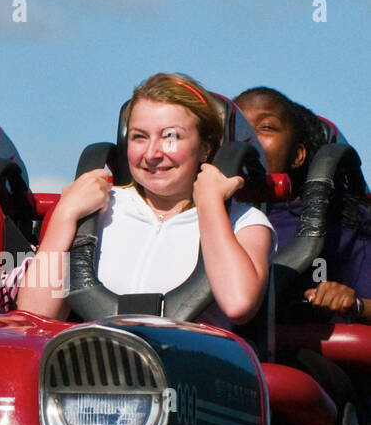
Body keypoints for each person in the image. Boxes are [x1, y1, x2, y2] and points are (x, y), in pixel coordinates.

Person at [17, 73, 273, 326]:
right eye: (139, 137)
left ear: (204, 148)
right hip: (98, 359)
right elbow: (34, 314)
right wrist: (65, 215)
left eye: (170, 136)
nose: (152, 153)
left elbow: (238, 303)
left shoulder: (244, 221)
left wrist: (210, 204)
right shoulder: (93, 211)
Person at [235, 86, 371, 324]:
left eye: (266, 127)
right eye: (237, 128)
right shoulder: (193, 213)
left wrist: (353, 303)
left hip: (307, 355)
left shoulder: (344, 222)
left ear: (298, 155)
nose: (249, 138)